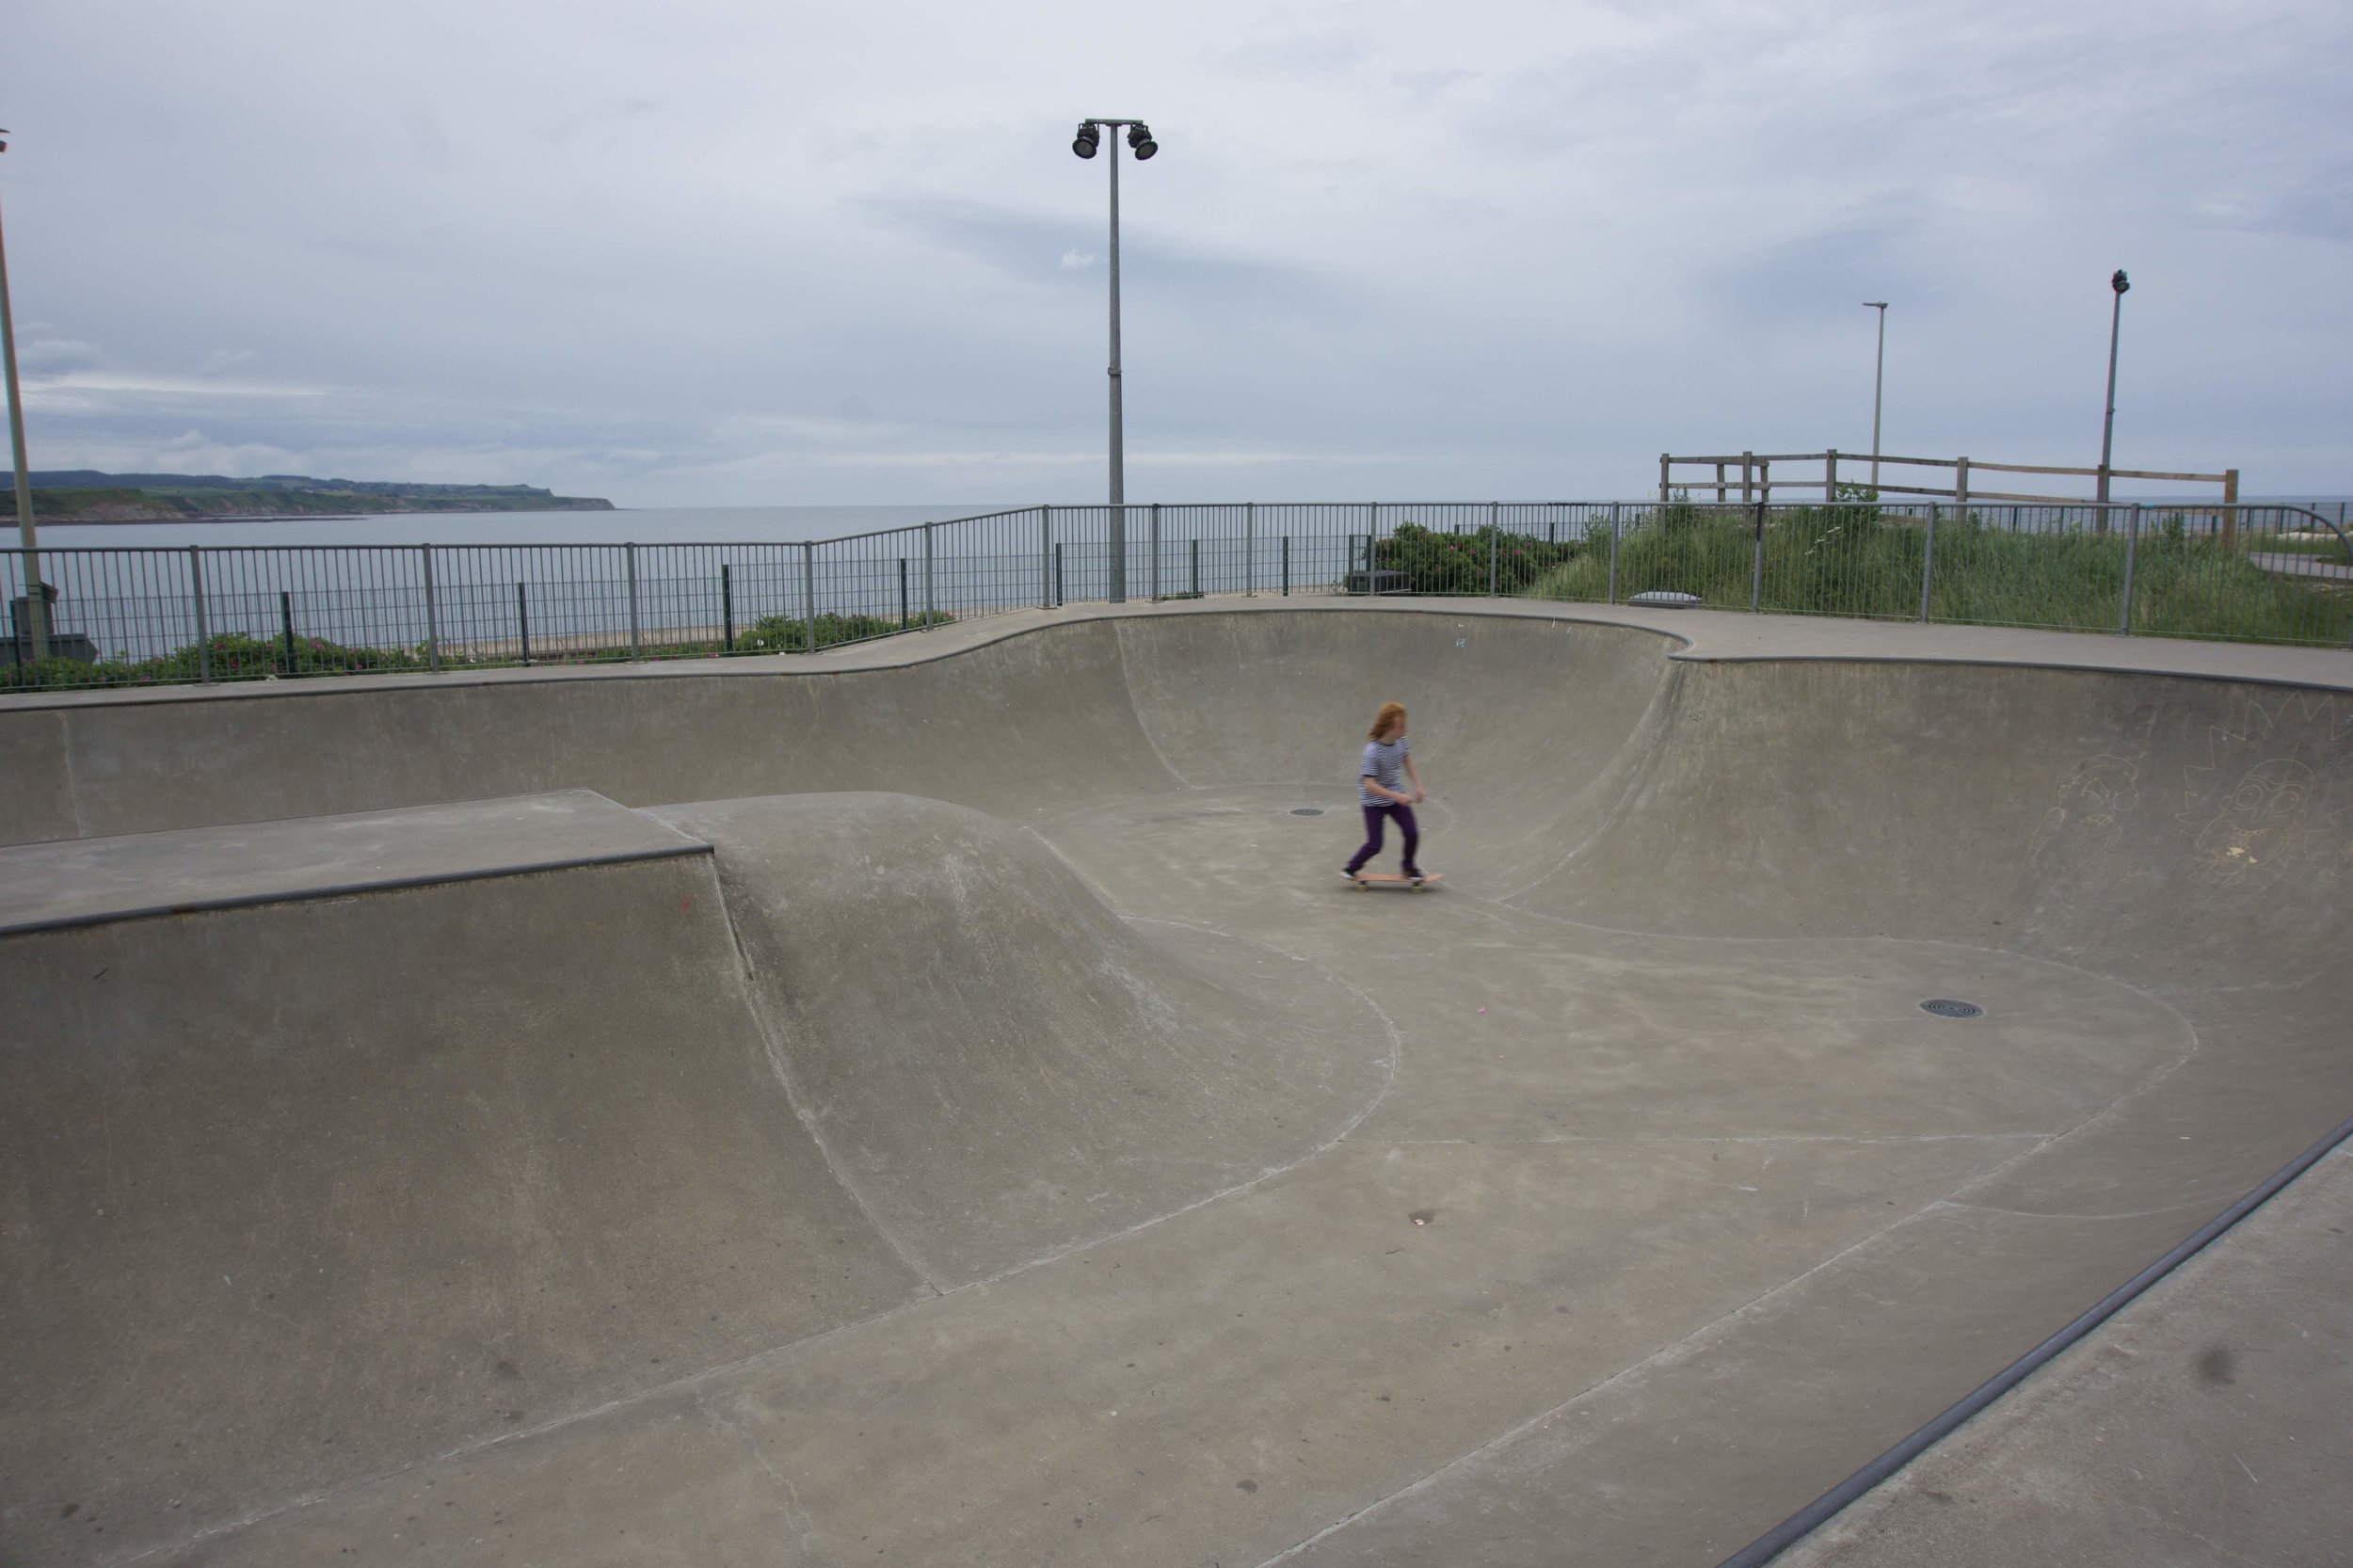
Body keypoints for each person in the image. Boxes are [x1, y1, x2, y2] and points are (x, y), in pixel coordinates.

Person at [1343, 700, 1427, 881]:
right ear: (1390, 727)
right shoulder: (1372, 752)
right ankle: (1351, 868)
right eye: (1401, 727)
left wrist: (1418, 785)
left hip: (1395, 797)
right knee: (1375, 845)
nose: (1405, 730)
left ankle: (1409, 868)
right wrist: (1397, 796)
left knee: (1412, 833)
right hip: (1373, 802)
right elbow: (1369, 784)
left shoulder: (1401, 742)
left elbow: (1407, 762)